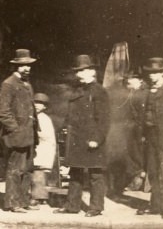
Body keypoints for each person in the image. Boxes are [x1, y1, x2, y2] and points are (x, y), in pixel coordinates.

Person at [56, 54, 110, 217]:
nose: (79, 74)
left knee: (95, 174)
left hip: (92, 140)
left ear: (92, 71)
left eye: (83, 71)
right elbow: (71, 114)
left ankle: (96, 207)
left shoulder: (99, 91)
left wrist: (97, 139)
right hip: (76, 139)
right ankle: (72, 205)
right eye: (78, 71)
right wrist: (65, 129)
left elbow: (104, 119)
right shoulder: (77, 90)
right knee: (75, 172)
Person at [0, 48, 36, 213]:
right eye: (23, 65)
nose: (27, 68)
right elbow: (2, 111)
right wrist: (15, 129)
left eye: (28, 65)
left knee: (26, 169)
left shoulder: (26, 84)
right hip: (17, 135)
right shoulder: (8, 84)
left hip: (28, 134)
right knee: (15, 169)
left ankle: (23, 201)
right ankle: (13, 203)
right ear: (16, 67)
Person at [140, 57, 163, 219]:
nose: (152, 75)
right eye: (150, 73)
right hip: (151, 137)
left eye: (156, 72)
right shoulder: (149, 92)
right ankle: (155, 206)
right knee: (152, 173)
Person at [31, 93, 57, 207]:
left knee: (38, 174)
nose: (37, 105)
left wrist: (32, 132)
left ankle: (39, 197)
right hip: (38, 147)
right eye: (35, 102)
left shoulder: (44, 118)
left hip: (43, 148)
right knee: (35, 173)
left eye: (40, 104)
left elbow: (45, 135)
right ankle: (39, 196)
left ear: (45, 107)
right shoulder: (34, 116)